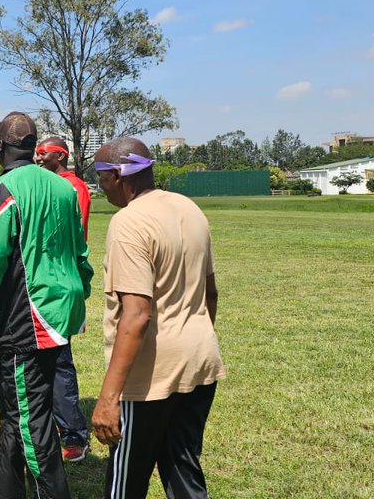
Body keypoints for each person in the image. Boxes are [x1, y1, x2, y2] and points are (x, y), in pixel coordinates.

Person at [0, 112, 92, 499]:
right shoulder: (65, 188)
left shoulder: (4, 189)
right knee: (19, 408)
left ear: (0, 146)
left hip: (25, 320)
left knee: (33, 421)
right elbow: (79, 252)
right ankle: (6, 487)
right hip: (57, 313)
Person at [90, 139, 226, 499]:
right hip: (199, 362)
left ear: (119, 176)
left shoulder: (129, 222)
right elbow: (210, 293)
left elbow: (136, 315)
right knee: (183, 470)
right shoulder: (190, 209)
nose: (100, 186)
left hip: (151, 377)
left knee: (125, 483)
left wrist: (108, 396)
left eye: (101, 177)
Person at [35, 137, 93, 462]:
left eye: (43, 153)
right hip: (45, 283)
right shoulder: (49, 184)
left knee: (60, 361)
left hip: (60, 281)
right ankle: (55, 425)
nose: (38, 157)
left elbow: (77, 236)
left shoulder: (73, 188)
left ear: (61, 155)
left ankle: (74, 435)